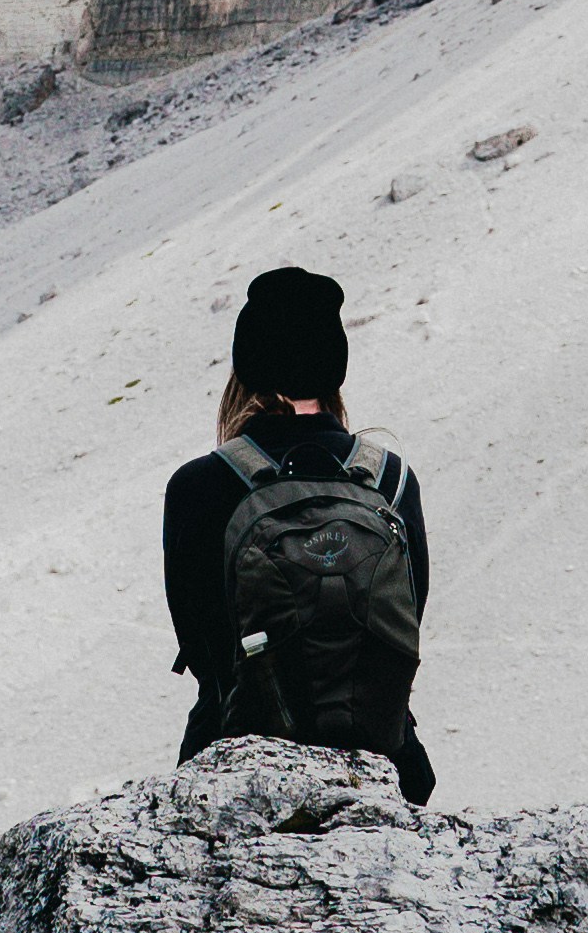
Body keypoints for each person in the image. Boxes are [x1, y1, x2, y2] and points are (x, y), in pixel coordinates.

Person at [162, 262, 433, 804]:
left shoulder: (199, 485)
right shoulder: (391, 479)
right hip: (383, 761)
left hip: (237, 766)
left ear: (246, 370)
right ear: (335, 371)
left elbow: (201, 645)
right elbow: (408, 613)